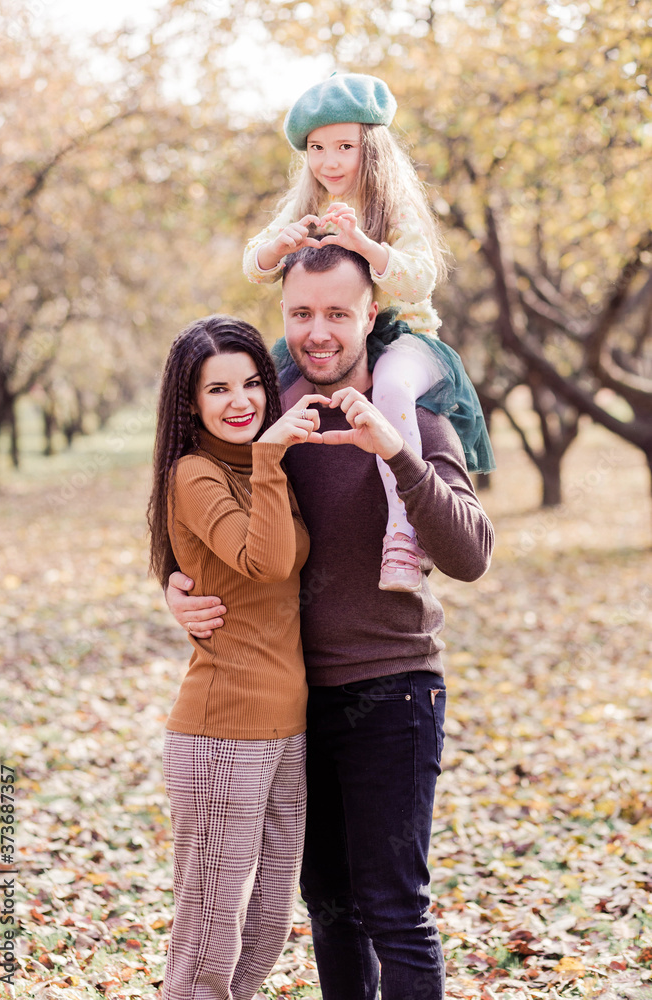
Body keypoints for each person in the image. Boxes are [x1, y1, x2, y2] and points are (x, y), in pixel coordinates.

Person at [166, 247, 495, 1000]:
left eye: (337, 314)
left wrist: (397, 453)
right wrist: (173, 588)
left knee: (392, 910)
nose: (318, 331)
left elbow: (470, 554)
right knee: (330, 908)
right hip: (292, 705)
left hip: (393, 692)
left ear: (368, 315)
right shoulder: (263, 409)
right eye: (301, 314)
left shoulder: (409, 413)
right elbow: (199, 511)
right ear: (283, 317)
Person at [243, 71, 495, 592]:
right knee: (264, 393)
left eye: (344, 146)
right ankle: (243, 520)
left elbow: (420, 276)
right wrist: (278, 245)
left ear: (371, 148)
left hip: (406, 338)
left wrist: (364, 245)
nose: (329, 161)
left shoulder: (390, 204)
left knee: (391, 389)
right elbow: (254, 263)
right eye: (316, 147)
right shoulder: (307, 203)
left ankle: (402, 535)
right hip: (341, 340)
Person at [147, 314, 331, 1000]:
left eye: (252, 383)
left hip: (286, 727)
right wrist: (269, 460)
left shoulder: (249, 464)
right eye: (217, 389)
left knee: (266, 925)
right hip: (220, 729)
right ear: (189, 403)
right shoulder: (196, 473)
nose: (241, 401)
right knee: (205, 938)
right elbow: (266, 559)